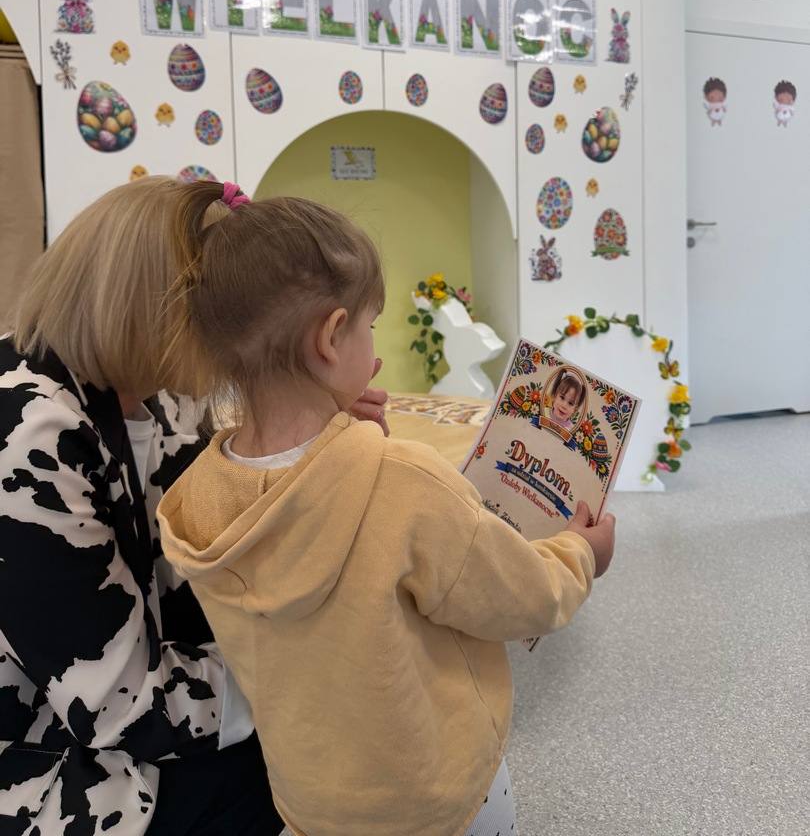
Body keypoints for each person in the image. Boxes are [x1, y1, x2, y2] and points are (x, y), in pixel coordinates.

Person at [156, 181, 616, 836]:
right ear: (331, 337)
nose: (373, 345)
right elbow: (526, 599)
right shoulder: (406, 483)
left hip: (310, 801)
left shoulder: (196, 497)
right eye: (370, 326)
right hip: (438, 799)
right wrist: (580, 555)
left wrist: (333, 424)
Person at [0, 176, 388, 835]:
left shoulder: (154, 397)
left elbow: (210, 545)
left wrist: (306, 431)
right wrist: (303, 676)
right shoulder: (32, 435)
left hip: (127, 707)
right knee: (327, 773)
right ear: (160, 310)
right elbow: (118, 706)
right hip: (50, 759)